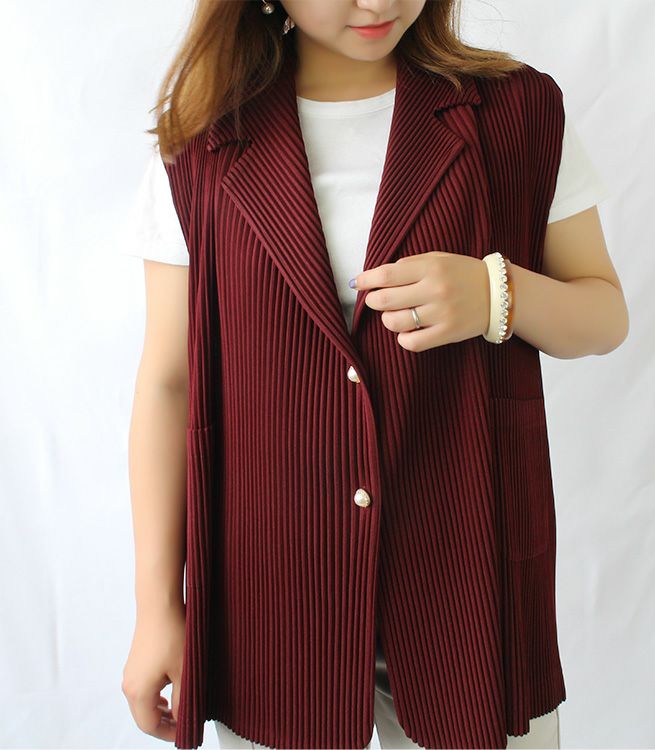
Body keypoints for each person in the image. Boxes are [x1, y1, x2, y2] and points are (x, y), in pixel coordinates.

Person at [121, 1, 627, 749]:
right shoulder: (203, 142)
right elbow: (170, 382)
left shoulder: (516, 113)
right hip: (274, 596)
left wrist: (496, 294)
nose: (379, 1)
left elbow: (604, 314)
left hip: (471, 583)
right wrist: (158, 608)